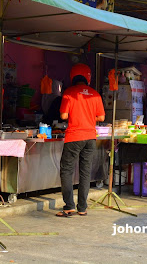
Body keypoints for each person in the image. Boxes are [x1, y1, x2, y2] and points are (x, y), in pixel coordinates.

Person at [56, 64, 105, 217]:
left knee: (67, 170)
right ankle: (82, 208)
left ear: (73, 77)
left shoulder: (69, 93)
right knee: (85, 172)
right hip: (90, 137)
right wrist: (89, 117)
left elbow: (63, 116)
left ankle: (69, 205)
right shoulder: (95, 94)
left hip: (74, 137)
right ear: (87, 78)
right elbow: (101, 117)